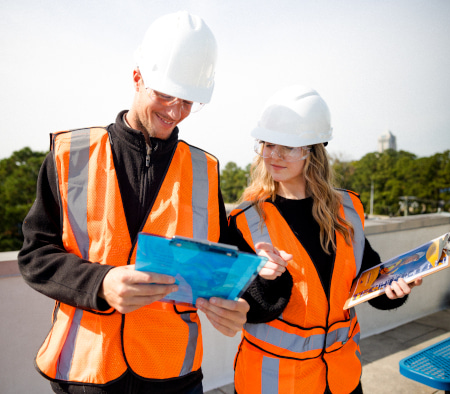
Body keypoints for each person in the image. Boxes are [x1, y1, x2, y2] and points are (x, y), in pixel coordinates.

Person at [18, 11, 251, 394]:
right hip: (88, 372)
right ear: (137, 77)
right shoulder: (70, 154)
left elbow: (218, 260)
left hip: (174, 373)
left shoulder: (204, 169)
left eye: (189, 100)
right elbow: (34, 255)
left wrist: (235, 302)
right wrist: (101, 281)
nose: (175, 112)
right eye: (164, 94)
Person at [228, 85, 423, 394]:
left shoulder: (346, 211)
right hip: (274, 383)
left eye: (288, 147)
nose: (274, 155)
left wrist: (394, 290)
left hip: (341, 380)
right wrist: (268, 279)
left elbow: (366, 280)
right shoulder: (245, 221)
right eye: (268, 144)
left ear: (312, 151)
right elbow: (252, 311)